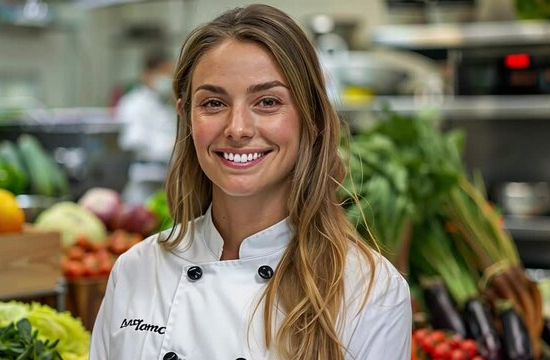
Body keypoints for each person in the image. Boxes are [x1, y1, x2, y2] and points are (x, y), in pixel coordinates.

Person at [91, 4, 411, 360]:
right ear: (185, 117)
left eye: (268, 102)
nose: (238, 128)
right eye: (213, 103)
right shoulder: (136, 270)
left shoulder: (370, 290)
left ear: (313, 118)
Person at [115, 48, 177, 204]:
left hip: (166, 178)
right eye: (164, 73)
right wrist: (168, 146)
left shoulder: (164, 103)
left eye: (170, 74)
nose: (168, 79)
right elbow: (131, 141)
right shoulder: (133, 103)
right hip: (142, 184)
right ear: (147, 74)